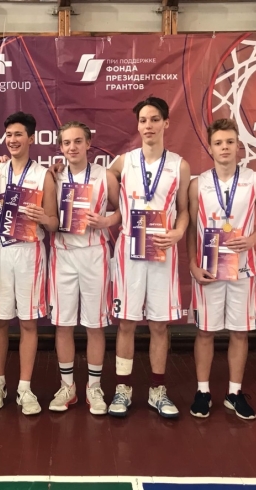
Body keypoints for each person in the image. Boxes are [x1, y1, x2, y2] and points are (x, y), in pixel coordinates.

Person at [106, 96, 190, 418]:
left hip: (162, 249)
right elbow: (99, 182)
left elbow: (184, 211)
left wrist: (179, 232)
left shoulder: (179, 165)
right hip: (129, 249)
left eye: (155, 119)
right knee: (126, 322)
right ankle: (123, 389)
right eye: (143, 120)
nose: (148, 125)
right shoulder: (123, 162)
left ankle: (157, 390)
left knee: (158, 325)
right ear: (138, 125)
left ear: (166, 123)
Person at [187, 118, 256, 420]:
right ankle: (203, 391)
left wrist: (252, 239)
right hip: (208, 269)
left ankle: (234, 393)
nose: (224, 147)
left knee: (239, 332)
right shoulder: (197, 184)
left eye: (229, 142)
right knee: (205, 331)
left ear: (239, 146)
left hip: (242, 268)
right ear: (210, 148)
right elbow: (191, 228)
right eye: (218, 143)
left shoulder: (255, 180)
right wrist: (192, 264)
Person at [0, 112, 59, 416]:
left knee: (28, 322)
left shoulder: (44, 175)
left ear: (31, 138)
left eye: (18, 134)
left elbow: (54, 223)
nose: (13, 140)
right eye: (9, 135)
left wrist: (44, 218)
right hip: (2, 251)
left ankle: (24, 387)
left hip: (30, 252)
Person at [46, 121, 120, 415]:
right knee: (63, 324)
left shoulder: (105, 175)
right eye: (67, 142)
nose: (72, 147)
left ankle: (94, 387)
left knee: (95, 324)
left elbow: (123, 211)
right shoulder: (53, 176)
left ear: (89, 144)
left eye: (78, 141)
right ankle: (67, 387)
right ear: (60, 147)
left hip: (94, 253)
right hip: (63, 253)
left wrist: (106, 221)